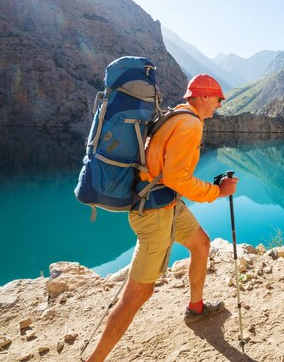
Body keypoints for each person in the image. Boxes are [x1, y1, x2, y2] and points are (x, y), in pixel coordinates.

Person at [86, 74, 238, 362]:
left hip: (165, 203)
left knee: (201, 244)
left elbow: (168, 172)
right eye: (218, 99)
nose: (218, 106)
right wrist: (217, 191)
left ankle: (196, 308)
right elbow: (177, 177)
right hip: (155, 212)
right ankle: (95, 359)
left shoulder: (176, 115)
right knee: (138, 293)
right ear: (204, 96)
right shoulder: (190, 123)